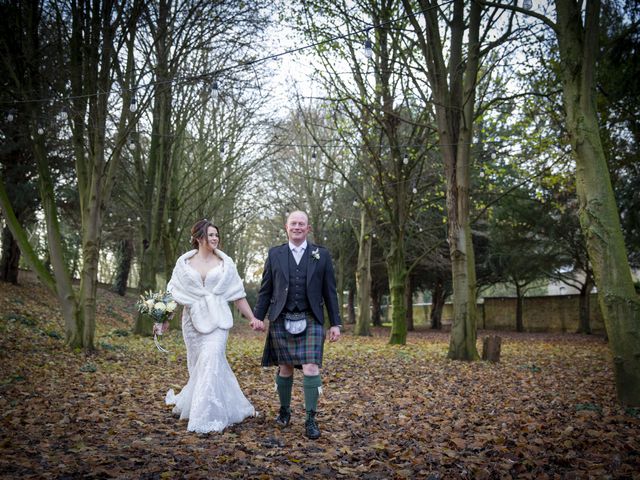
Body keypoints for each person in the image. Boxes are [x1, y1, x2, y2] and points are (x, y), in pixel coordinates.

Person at [164, 219, 265, 434]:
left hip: (218, 320)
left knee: (211, 359)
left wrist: (252, 318)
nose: (215, 238)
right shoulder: (184, 264)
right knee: (199, 365)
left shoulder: (225, 265)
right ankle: (214, 403)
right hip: (192, 322)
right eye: (210, 235)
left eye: (216, 235)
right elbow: (173, 294)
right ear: (199, 238)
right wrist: (163, 320)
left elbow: (238, 294)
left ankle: (206, 418)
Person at [253, 210, 341, 440]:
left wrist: (336, 323)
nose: (297, 227)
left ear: (308, 228)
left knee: (312, 367)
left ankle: (311, 418)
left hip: (311, 317)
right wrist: (258, 316)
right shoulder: (275, 254)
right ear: (286, 227)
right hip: (281, 316)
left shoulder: (321, 255)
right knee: (285, 367)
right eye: (294, 223)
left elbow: (330, 292)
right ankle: (284, 411)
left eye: (302, 224)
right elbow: (266, 290)